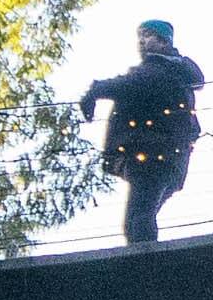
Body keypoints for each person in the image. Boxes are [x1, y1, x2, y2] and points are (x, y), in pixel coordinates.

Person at [79, 21, 204, 247]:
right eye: (140, 37)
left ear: (164, 41)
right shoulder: (174, 71)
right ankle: (145, 260)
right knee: (140, 216)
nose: (142, 41)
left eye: (148, 36)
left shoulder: (162, 69)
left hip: (153, 154)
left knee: (138, 218)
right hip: (168, 156)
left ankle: (146, 265)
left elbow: (130, 84)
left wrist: (95, 91)